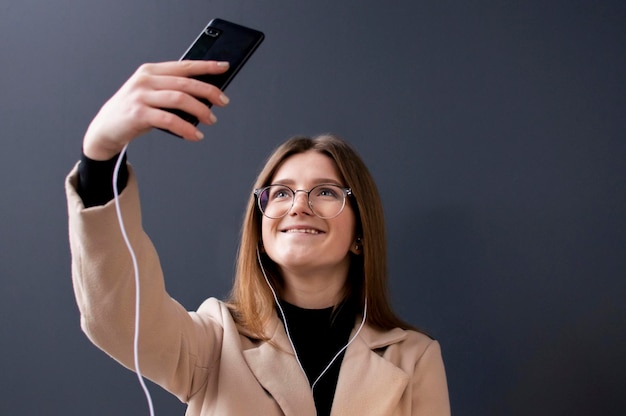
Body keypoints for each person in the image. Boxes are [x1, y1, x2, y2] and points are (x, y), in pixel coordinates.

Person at [65, 60, 451, 415]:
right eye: (281, 193)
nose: (298, 206)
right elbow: (116, 318)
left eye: (326, 192)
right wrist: (101, 155)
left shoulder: (413, 357)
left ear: (359, 234)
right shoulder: (215, 340)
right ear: (260, 232)